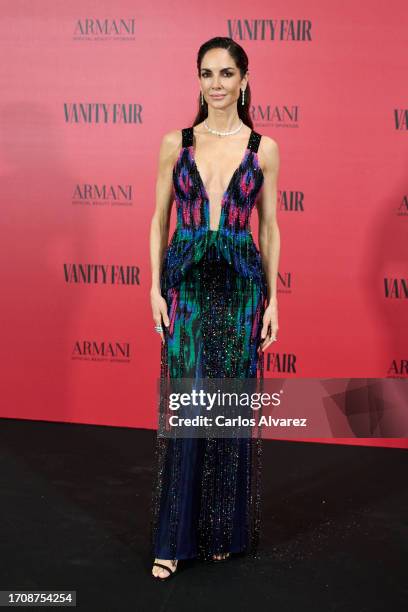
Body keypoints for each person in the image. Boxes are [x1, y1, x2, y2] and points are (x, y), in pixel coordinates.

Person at [149, 36, 280, 580]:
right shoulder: (174, 143)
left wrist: (275, 300)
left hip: (243, 287)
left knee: (226, 410)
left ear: (244, 79)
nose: (216, 84)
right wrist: (153, 289)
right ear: (197, 80)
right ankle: (172, 538)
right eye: (207, 74)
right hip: (190, 285)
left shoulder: (263, 148)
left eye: (226, 74)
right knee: (188, 405)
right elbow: (159, 220)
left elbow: (270, 227)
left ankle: (220, 530)